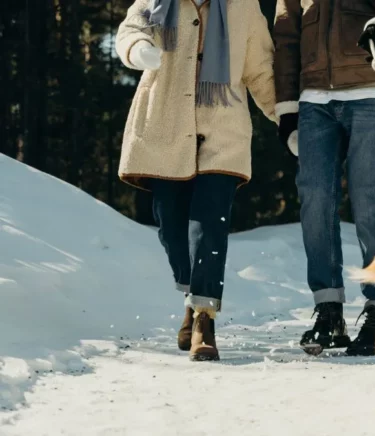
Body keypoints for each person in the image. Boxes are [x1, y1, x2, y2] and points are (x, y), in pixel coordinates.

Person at [116, 0, 276, 361]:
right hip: (165, 128)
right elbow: (131, 29)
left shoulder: (244, 7)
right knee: (171, 228)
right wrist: (139, 49)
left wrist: (287, 120)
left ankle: (204, 319)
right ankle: (191, 297)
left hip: (224, 129)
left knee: (210, 223)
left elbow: (262, 69)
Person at [273, 0, 375, 356]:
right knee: (315, 199)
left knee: (368, 198)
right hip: (314, 98)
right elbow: (286, 36)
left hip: (371, 86)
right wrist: (288, 108)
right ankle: (328, 309)